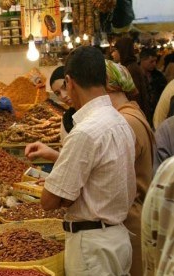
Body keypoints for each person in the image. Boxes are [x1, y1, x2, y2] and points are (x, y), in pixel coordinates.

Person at [25, 46, 136, 275]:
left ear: (69, 81)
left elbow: (49, 200)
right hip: (117, 239)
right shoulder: (119, 120)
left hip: (92, 247)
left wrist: (66, 196)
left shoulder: (85, 132)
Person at [105, 59, 155, 276]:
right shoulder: (132, 113)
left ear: (108, 88)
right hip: (135, 215)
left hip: (131, 221)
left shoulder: (125, 121)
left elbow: (109, 174)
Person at [112, 37, 148, 117]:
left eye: (115, 50)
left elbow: (135, 96)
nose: (112, 54)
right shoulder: (129, 66)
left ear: (122, 51)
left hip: (135, 113)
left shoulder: (131, 69)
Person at [139, 48, 167, 127]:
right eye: (151, 61)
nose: (154, 64)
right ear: (142, 60)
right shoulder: (136, 75)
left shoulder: (159, 76)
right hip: (142, 113)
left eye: (155, 61)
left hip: (157, 113)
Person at [49, 65, 76, 140]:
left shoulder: (94, 113)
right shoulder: (66, 120)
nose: (63, 96)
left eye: (64, 87)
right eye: (57, 93)